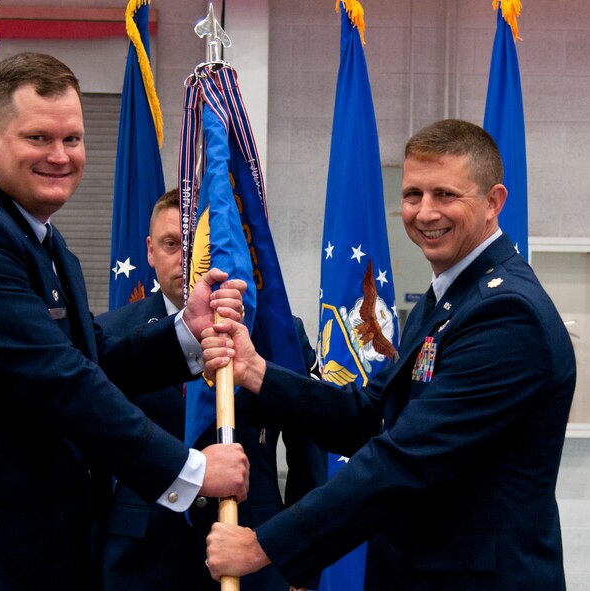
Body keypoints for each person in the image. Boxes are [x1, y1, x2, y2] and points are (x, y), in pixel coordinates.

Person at [0, 52, 251, 591]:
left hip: (19, 545)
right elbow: (60, 378)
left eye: (73, 139)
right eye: (39, 138)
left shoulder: (42, 239)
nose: (60, 156)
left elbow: (93, 355)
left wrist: (187, 329)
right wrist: (191, 473)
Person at [202, 119, 576, 590]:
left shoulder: (505, 313)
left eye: (445, 195)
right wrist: (256, 372)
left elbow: (406, 459)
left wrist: (265, 546)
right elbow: (372, 415)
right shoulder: (447, 299)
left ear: (493, 203)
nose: (424, 212)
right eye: (412, 195)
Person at [98, 189, 326, 591]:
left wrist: (302, 559)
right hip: (140, 554)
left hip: (253, 546)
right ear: (150, 251)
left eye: (199, 248)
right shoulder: (110, 333)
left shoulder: (278, 333)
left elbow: (307, 448)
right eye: (172, 245)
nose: (189, 263)